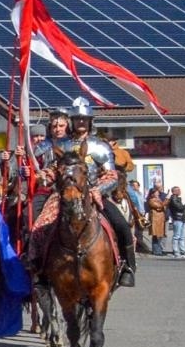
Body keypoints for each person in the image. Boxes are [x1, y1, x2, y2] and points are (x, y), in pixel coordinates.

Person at [28, 99, 136, 286]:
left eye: (84, 119)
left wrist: (98, 190)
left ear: (90, 121)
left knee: (122, 225)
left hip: (94, 194)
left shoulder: (101, 146)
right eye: (77, 119)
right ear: (71, 120)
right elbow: (53, 170)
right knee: (39, 227)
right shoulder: (61, 145)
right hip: (64, 195)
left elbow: (112, 176)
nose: (80, 122)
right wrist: (45, 177)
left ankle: (127, 267)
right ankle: (39, 268)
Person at [166, 186, 185, 257]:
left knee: (182, 236)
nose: (180, 191)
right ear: (174, 191)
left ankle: (183, 250)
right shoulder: (173, 199)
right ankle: (175, 250)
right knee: (176, 236)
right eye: (178, 190)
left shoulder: (178, 199)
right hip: (177, 219)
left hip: (182, 219)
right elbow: (180, 208)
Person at [146, 183, 167, 255]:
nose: (158, 193)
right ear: (153, 194)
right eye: (156, 192)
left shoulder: (159, 199)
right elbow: (159, 207)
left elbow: (162, 207)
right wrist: (166, 200)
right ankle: (156, 251)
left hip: (160, 219)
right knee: (155, 235)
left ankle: (159, 249)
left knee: (160, 235)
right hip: (155, 219)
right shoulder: (151, 200)